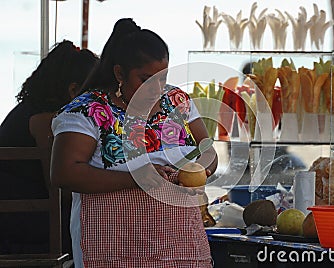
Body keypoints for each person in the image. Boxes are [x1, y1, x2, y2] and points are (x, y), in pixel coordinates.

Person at [50, 18, 218, 267]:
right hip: (110, 245)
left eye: (162, 78)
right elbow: (64, 173)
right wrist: (138, 178)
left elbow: (206, 148)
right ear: (119, 73)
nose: (157, 88)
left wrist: (202, 169)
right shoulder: (88, 110)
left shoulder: (177, 101)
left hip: (179, 245)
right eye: (146, 79)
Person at [0, 40, 99, 254]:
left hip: (21, 218)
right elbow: (60, 190)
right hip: (25, 226)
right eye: (95, 94)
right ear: (74, 90)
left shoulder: (29, 111)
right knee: (103, 228)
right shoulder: (46, 120)